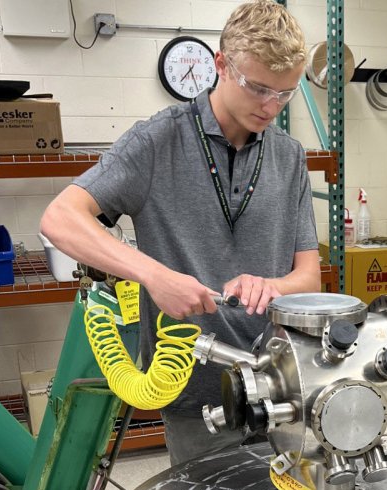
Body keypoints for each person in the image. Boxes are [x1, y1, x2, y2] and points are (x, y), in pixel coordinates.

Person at [40, 0, 320, 466]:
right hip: (199, 396)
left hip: (283, 388)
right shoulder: (156, 142)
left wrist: (273, 287)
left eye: (285, 94)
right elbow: (60, 218)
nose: (271, 106)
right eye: (258, 88)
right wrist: (155, 277)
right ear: (221, 65)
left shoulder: (289, 157)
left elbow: (308, 278)